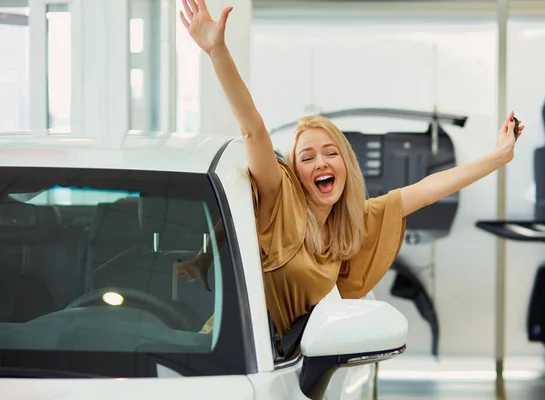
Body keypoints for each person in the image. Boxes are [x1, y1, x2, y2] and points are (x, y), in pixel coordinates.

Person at [176, 0, 525, 341]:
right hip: (241, 362)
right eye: (308, 157)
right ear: (294, 171)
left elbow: (431, 188)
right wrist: (216, 51)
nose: (322, 163)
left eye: (330, 152)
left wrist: (500, 156)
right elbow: (253, 129)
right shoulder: (278, 201)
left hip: (295, 369)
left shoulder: (356, 221)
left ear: (346, 163)